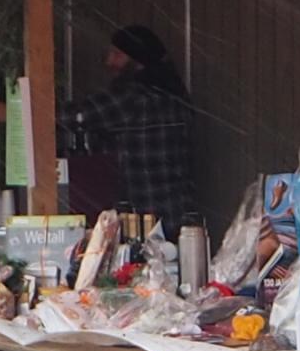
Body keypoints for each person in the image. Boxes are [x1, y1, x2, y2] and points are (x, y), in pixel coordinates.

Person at [61, 24, 198, 237]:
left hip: (143, 220)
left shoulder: (132, 98)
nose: (109, 62)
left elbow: (76, 116)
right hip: (180, 214)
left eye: (117, 55)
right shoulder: (175, 96)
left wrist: (20, 111)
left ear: (138, 60)